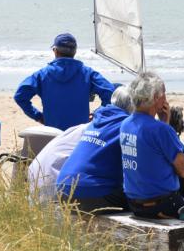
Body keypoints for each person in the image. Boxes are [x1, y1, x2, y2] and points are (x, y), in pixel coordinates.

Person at [119, 72, 184, 220]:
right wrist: (167, 127)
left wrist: (164, 123)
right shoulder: (160, 130)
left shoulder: (125, 124)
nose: (166, 99)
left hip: (134, 203)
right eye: (163, 94)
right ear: (155, 98)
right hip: (163, 204)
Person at [56, 86, 135, 215]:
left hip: (62, 189)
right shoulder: (126, 126)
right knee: (144, 201)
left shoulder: (96, 121)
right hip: (89, 193)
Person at [14, 33, 116, 130]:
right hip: (79, 132)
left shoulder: (41, 74)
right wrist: (97, 114)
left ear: (55, 51)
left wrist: (38, 116)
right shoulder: (87, 73)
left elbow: (20, 96)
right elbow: (110, 92)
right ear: (75, 51)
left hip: (52, 133)